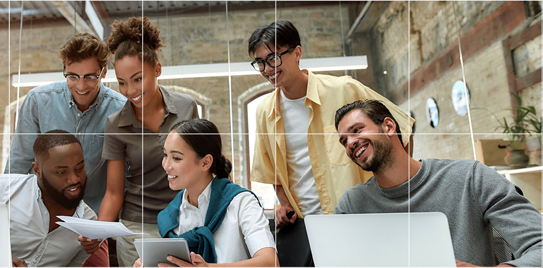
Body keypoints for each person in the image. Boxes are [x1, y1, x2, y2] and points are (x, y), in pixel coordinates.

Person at [245, 20, 415, 266]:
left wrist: (398, 193)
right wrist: (284, 204)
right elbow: (272, 171)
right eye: (259, 62)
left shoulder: (344, 89)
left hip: (359, 219)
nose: (267, 68)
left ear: (297, 53)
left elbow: (402, 129)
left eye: (273, 58)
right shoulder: (264, 112)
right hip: (305, 230)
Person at [333, 100, 542, 267]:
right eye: (344, 141)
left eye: (357, 130)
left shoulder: (470, 177)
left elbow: (539, 246)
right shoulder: (352, 204)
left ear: (388, 126)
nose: (350, 143)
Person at [97, 16, 197, 267]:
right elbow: (113, 192)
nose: (130, 90)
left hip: (184, 220)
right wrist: (96, 233)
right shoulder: (115, 124)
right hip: (137, 226)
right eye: (122, 82)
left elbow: (204, 167)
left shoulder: (186, 108)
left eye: (137, 79)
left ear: (157, 70)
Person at [6, 33, 129, 214]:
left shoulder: (120, 110)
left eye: (90, 77)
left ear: (103, 72)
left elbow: (126, 176)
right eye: (73, 76)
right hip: (41, 213)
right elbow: (18, 166)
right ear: (64, 69)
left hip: (93, 215)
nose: (81, 86)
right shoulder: (37, 102)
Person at [0, 130, 103, 267]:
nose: (74, 179)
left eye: (79, 168)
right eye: (61, 172)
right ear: (37, 170)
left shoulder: (88, 223)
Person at [153, 119, 277, 267]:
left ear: (205, 162)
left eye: (176, 158)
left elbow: (270, 263)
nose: (166, 166)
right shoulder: (171, 215)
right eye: (165, 155)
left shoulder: (241, 202)